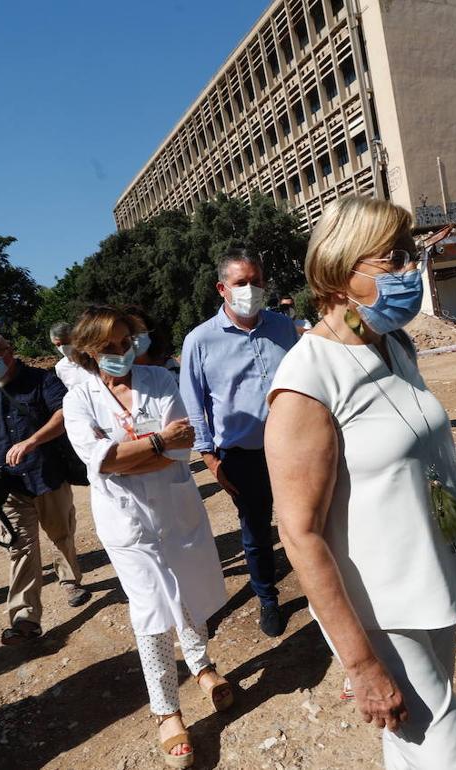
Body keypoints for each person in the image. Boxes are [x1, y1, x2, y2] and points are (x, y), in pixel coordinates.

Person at [267, 195, 456, 769]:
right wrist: (360, 662)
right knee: (451, 754)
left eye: (409, 254)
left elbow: (426, 456)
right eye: (391, 259)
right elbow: (299, 534)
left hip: (430, 581)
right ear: (341, 272)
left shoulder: (395, 346)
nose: (409, 271)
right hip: (380, 610)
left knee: (412, 741)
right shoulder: (307, 379)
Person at [63, 306, 231, 769]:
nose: (121, 353)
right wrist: (155, 444)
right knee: (152, 609)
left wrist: (133, 454)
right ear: (88, 352)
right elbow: (100, 460)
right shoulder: (78, 399)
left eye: (126, 342)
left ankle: (201, 665)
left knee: (189, 590)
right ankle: (166, 710)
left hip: (174, 508)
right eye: (110, 347)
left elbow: (181, 447)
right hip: (126, 523)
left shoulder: (158, 380)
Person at [179, 248, 299, 637]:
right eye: (241, 283)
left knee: (306, 521)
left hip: (295, 448)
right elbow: (194, 405)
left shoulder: (284, 328)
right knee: (257, 532)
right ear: (222, 288)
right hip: (242, 456)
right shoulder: (200, 341)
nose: (251, 289)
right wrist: (211, 459)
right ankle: (268, 599)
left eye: (257, 281)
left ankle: (324, 589)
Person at [0, 333, 90, 646]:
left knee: (61, 534)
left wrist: (33, 440)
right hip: (9, 484)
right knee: (21, 547)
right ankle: (24, 618)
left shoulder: (41, 380)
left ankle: (70, 580)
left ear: (9, 352)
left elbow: (63, 414)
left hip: (47, 474)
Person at [125, 306, 180, 374]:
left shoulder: (170, 365)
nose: (136, 336)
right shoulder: (122, 376)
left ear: (150, 332)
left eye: (141, 330)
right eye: (131, 332)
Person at [50, 321, 90, 390]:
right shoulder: (60, 368)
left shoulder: (92, 358)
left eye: (65, 342)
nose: (61, 347)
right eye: (58, 345)